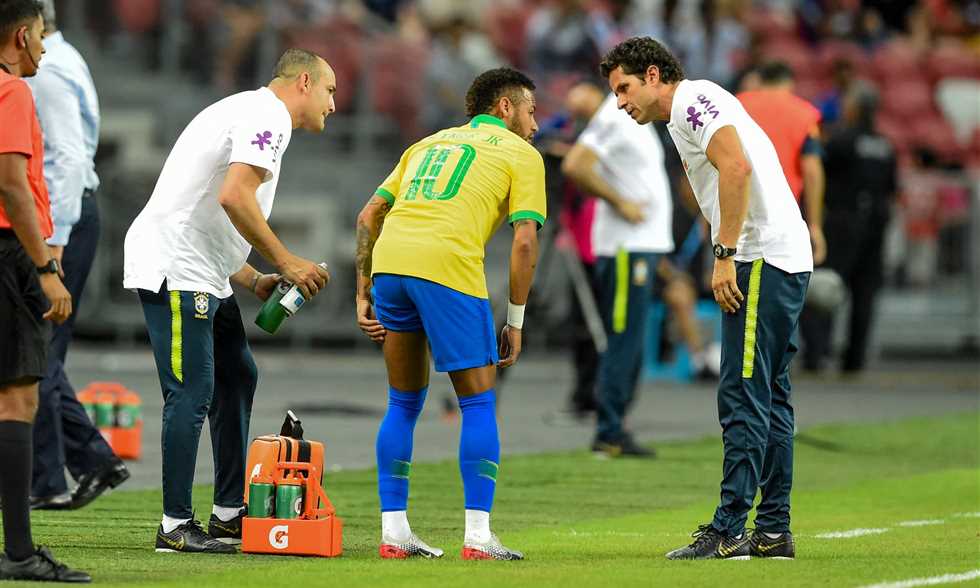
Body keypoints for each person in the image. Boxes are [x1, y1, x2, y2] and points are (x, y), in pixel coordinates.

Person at [600, 37, 812, 560]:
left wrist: (724, 253)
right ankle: (772, 530)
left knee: (742, 394)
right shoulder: (687, 113)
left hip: (760, 255)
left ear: (653, 75)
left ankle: (729, 529)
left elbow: (735, 168)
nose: (621, 102)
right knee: (769, 395)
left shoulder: (693, 101)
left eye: (624, 88)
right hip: (783, 254)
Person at [123, 49, 334, 554]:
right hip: (177, 269)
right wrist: (286, 262)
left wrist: (252, 277)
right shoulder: (268, 117)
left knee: (238, 375)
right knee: (192, 391)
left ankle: (227, 514)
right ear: (303, 82)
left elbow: (199, 200)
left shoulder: (249, 111)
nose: (333, 104)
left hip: (204, 270)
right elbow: (234, 197)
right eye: (329, 91)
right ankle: (174, 525)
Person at [355, 67, 544, 561]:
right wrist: (516, 320)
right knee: (478, 404)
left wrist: (363, 293)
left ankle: (394, 532)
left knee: (402, 403)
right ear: (505, 108)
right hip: (448, 268)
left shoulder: (426, 143)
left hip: (390, 265)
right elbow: (525, 239)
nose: (536, 124)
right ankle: (479, 537)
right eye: (531, 110)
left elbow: (368, 215)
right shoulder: (522, 154)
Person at [27, 0, 130, 512]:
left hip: (58, 221)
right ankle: (76, 466)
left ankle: (55, 474)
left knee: (36, 350)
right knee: (41, 350)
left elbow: (66, 157)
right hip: (64, 215)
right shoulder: (63, 57)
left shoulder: (45, 71)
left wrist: (55, 239)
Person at [0, 0, 89, 581]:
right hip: (8, 256)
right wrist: (46, 268)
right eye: (38, 35)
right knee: (16, 400)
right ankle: (20, 554)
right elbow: (12, 182)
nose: (42, 46)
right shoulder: (11, 92)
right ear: (22, 34)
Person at [561, 80, 674, 457]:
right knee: (624, 339)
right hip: (628, 247)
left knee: (631, 340)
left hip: (640, 245)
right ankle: (609, 431)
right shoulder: (614, 115)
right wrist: (619, 202)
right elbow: (576, 164)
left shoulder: (623, 116)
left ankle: (615, 426)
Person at [800, 86, 897, 374]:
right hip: (876, 225)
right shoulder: (885, 145)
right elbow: (891, 188)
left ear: (853, 109)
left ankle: (817, 355)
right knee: (865, 292)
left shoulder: (841, 140)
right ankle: (854, 359)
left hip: (842, 223)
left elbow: (817, 171)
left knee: (825, 283)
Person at [738, 60, 827, 265]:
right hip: (780, 212)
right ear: (790, 84)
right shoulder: (806, 113)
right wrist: (814, 225)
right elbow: (812, 171)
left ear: (760, 80)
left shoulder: (737, 104)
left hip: (736, 206)